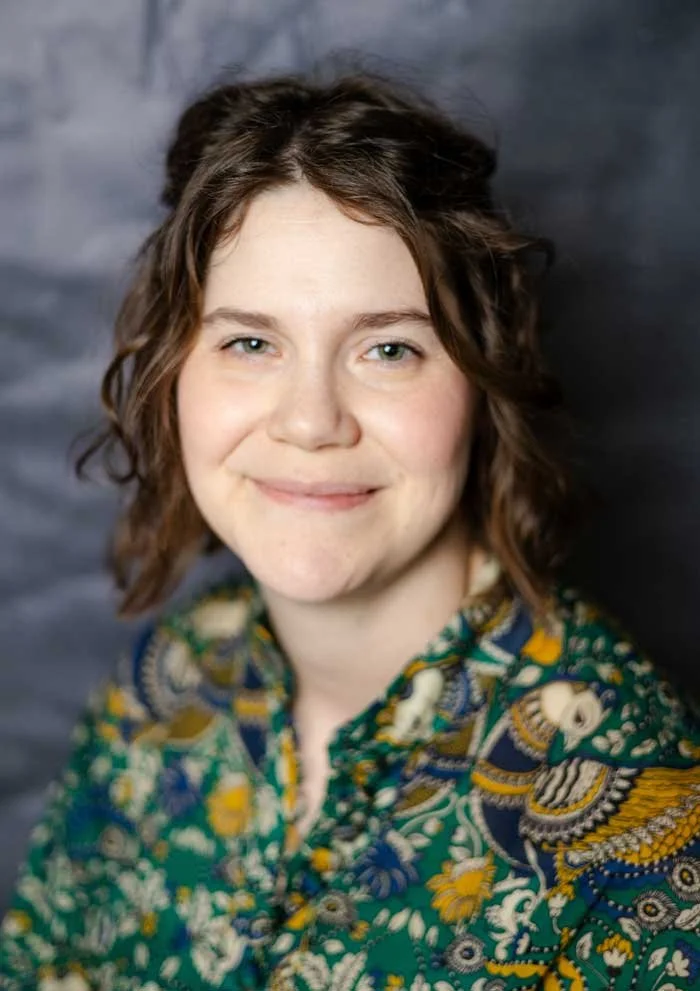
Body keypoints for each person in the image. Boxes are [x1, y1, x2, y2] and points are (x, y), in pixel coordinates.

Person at [1, 69, 699, 991]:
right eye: (250, 341)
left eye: (389, 348)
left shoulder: (636, 811)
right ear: (172, 371)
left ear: (483, 381)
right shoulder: (164, 694)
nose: (311, 419)